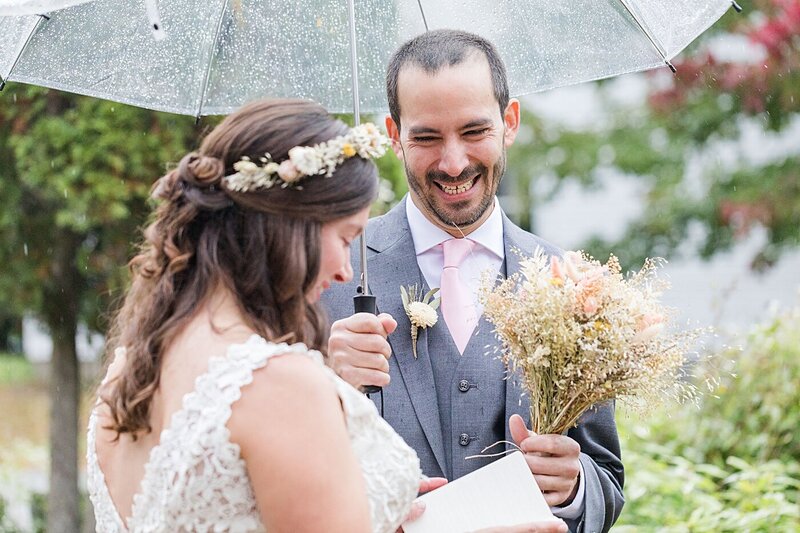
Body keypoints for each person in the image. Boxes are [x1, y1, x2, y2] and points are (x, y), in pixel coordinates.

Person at [322, 30, 625, 533]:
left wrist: (572, 487)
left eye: (474, 130)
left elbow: (606, 481)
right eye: (426, 137)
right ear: (394, 134)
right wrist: (325, 385)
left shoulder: (573, 285)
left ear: (510, 122)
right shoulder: (328, 274)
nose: (454, 162)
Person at [86, 98, 427, 532]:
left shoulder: (128, 373)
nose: (345, 270)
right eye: (345, 238)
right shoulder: (279, 383)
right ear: (287, 225)